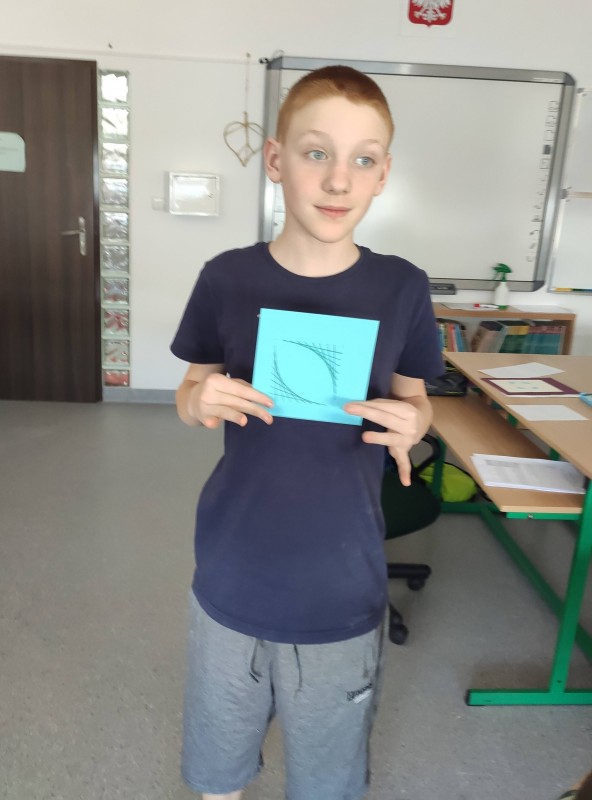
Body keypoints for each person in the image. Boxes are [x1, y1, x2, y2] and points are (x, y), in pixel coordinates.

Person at [170, 64, 444, 800]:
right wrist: (198, 400)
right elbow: (191, 390)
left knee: (327, 770)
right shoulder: (227, 278)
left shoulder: (401, 287)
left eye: (363, 159)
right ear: (275, 159)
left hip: (340, 579)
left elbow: (418, 401)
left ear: (384, 175)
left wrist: (413, 422)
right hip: (232, 566)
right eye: (316, 152)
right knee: (218, 760)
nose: (338, 179)